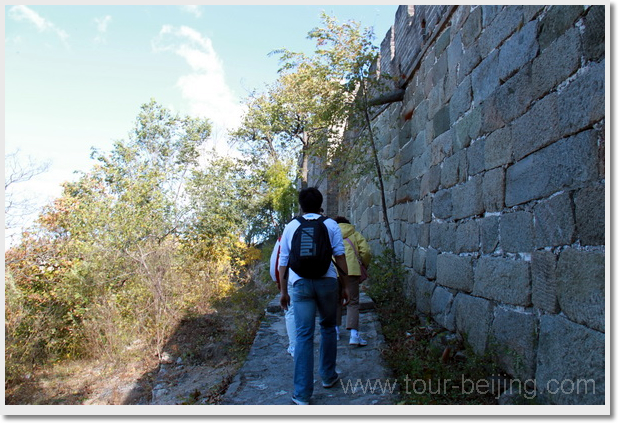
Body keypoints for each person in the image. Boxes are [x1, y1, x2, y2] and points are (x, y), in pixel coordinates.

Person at [278, 187, 350, 405]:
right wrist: (344, 286)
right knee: (328, 328)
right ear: (321, 205)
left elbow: (283, 261)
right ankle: (328, 376)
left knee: (303, 336)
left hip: (299, 284)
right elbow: (340, 254)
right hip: (327, 282)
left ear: (301, 206)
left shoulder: (292, 226)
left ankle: (301, 394)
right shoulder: (330, 224)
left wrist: (283, 291)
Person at [334, 216, 371, 346]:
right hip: (352, 271)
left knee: (336, 301)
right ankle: (354, 335)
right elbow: (365, 251)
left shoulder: (331, 234)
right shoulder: (354, 234)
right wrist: (363, 265)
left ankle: (335, 331)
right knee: (353, 302)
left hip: (335, 271)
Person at [269, 236, 296, 357]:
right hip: (316, 277)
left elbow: (276, 261)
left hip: (291, 278)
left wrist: (278, 281)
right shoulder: (322, 228)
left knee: (290, 312)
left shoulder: (285, 236)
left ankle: (294, 346)